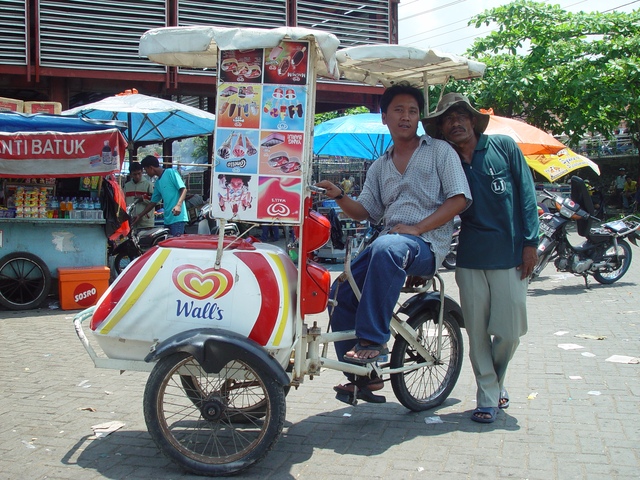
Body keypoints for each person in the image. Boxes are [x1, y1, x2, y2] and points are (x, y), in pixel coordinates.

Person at [316, 83, 472, 401]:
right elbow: (365, 212)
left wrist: (417, 229)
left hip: (427, 245)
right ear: (384, 117)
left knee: (388, 247)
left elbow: (459, 199)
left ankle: (373, 342)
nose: (406, 117)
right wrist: (341, 196)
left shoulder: (440, 151)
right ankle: (363, 377)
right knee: (341, 288)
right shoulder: (380, 166)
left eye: (412, 111)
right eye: (399, 110)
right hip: (390, 245)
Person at [423, 92, 539, 424]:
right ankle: (488, 396)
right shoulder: (445, 160)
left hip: (511, 255)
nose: (455, 122)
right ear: (441, 129)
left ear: (472, 120)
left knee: (510, 331)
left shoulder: (503, 147)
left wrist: (530, 243)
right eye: (447, 118)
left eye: (460, 115)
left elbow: (527, 196)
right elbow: (435, 207)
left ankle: (495, 382)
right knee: (476, 332)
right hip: (471, 257)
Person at [133, 155, 188, 237]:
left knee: (176, 245)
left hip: (177, 218)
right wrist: (140, 215)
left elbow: (183, 189)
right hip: (167, 220)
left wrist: (178, 205)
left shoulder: (171, 172)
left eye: (146, 170)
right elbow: (153, 202)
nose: (146, 173)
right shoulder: (158, 183)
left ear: (151, 168)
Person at [123, 162, 155, 231]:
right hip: (131, 222)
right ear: (130, 174)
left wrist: (143, 198)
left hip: (146, 223)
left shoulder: (149, 185)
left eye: (139, 173)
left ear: (142, 172)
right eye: (134, 174)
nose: (137, 176)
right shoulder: (127, 186)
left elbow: (156, 201)